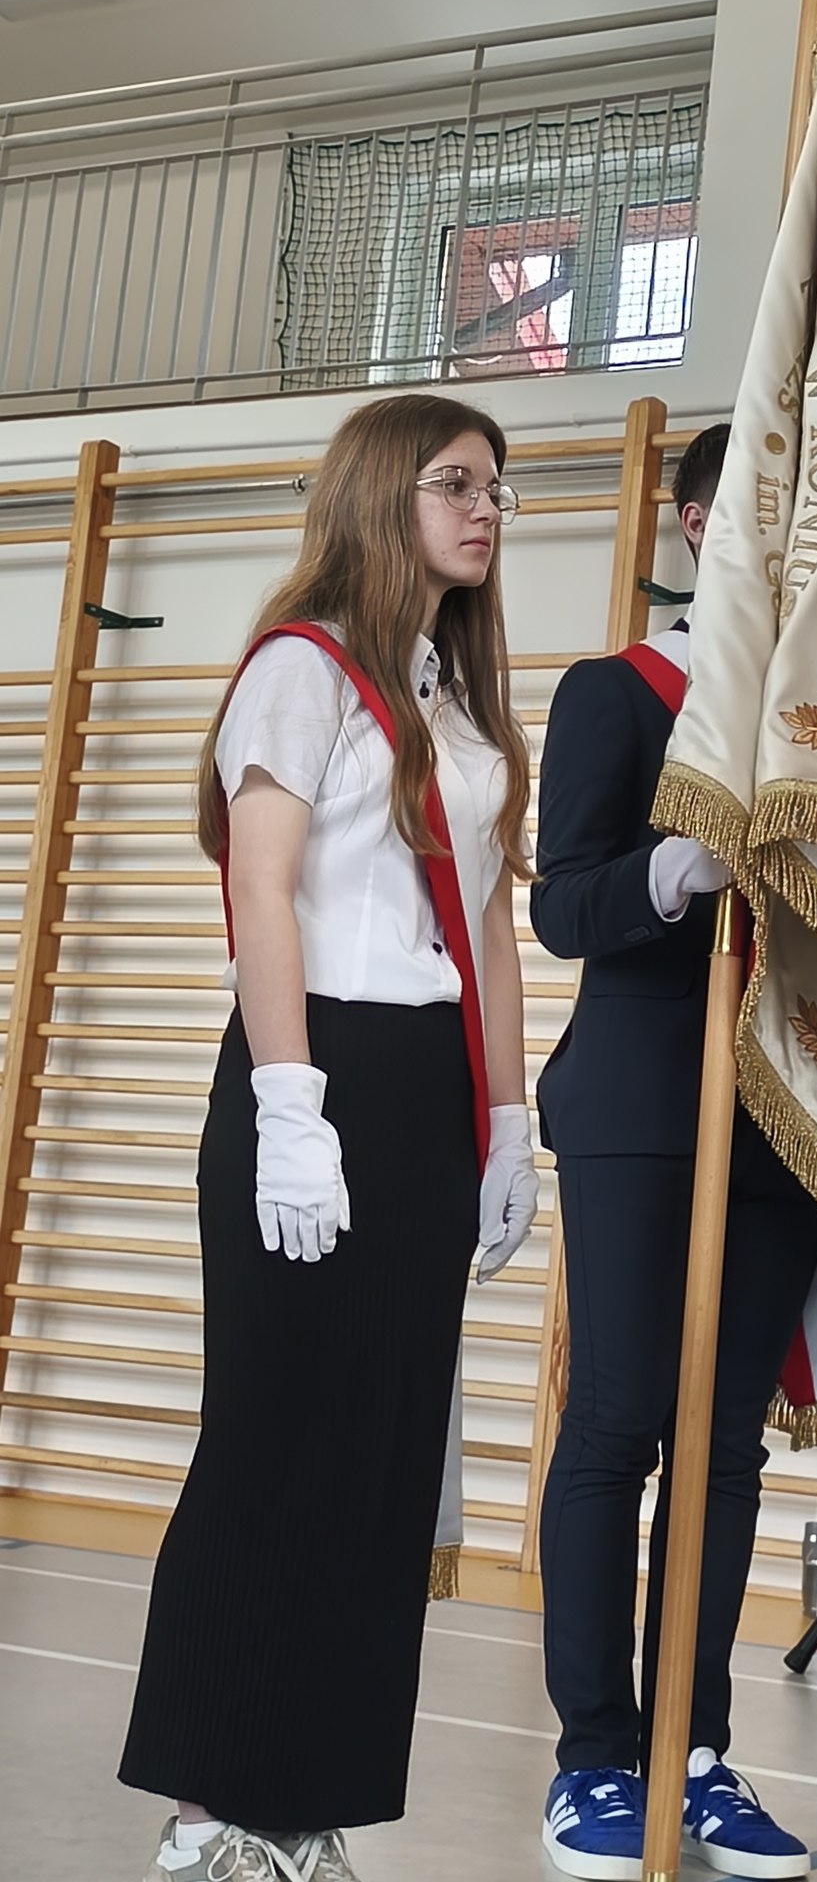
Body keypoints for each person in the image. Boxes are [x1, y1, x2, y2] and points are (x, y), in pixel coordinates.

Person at [119, 393, 540, 1882]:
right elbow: (264, 889)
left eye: (496, 487)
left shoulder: (458, 705)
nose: (486, 509)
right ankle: (203, 1812)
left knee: (379, 1462)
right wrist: (289, 1106)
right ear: (379, 495)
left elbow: (489, 925)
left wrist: (508, 1120)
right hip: (316, 1070)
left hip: (428, 1085)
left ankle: (300, 1805)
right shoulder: (301, 669)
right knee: (275, 1439)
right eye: (456, 482)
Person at [533, 424, 817, 1882]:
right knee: (619, 1424)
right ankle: (594, 1754)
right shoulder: (621, 690)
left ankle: (690, 1752)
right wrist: (670, 872)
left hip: (785, 1110)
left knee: (725, 1450)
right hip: (644, 1101)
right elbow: (561, 907)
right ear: (701, 523)